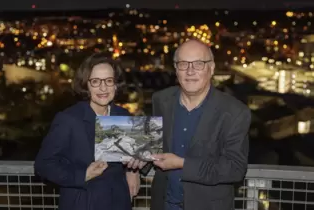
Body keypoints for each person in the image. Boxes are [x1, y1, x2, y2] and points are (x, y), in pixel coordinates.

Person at [148, 39, 251, 210]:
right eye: (183, 64)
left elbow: (235, 168)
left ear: (211, 69)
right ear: (175, 69)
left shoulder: (235, 112)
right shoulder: (161, 100)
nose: (190, 71)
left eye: (198, 64)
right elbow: (155, 145)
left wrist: (182, 164)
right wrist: (136, 166)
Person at [34, 53, 140, 210]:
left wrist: (134, 170)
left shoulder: (122, 115)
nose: (103, 88)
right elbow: (43, 165)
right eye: (95, 82)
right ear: (86, 85)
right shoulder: (69, 119)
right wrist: (83, 175)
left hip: (119, 202)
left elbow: (133, 155)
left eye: (109, 81)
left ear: (116, 85)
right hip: (82, 202)